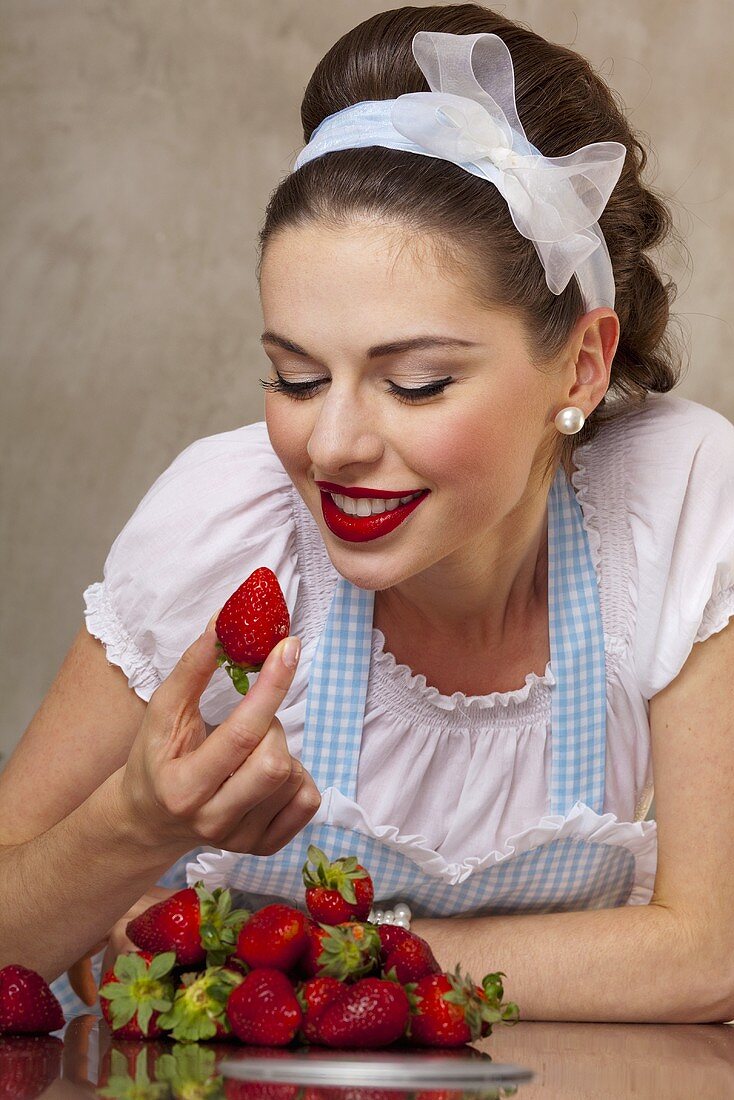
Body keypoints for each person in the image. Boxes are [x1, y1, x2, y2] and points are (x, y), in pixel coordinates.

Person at [1, 3, 733, 1025]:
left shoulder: (678, 496)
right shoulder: (229, 517)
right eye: (295, 376)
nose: (331, 443)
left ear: (580, 359)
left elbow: (707, 951)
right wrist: (130, 825)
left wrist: (301, 956)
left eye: (417, 381)